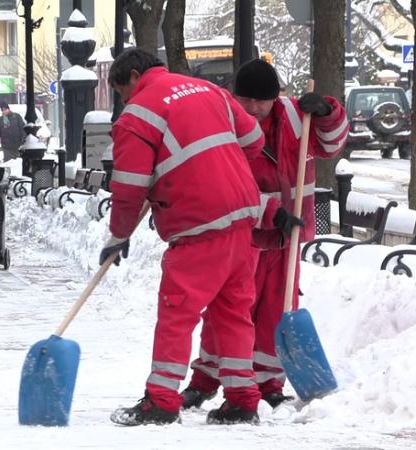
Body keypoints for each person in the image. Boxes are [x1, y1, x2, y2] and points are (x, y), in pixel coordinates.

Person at [101, 48, 301, 426]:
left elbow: (128, 187)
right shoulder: (208, 90)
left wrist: (119, 235)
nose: (124, 100)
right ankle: (242, 399)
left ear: (130, 77)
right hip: (243, 221)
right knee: (233, 313)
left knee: (178, 312)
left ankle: (160, 400)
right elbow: (254, 141)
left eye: (121, 92)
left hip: (199, 225)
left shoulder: (137, 116)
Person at [180, 59, 348, 410]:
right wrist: (268, 214)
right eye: (246, 100)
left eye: (261, 101)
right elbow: (222, 179)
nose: (253, 108)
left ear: (276, 97)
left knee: (277, 308)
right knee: (228, 309)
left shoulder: (295, 117)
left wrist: (328, 113)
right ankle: (206, 378)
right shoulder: (224, 123)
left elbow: (330, 146)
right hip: (244, 230)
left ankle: (269, 382)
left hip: (288, 234)